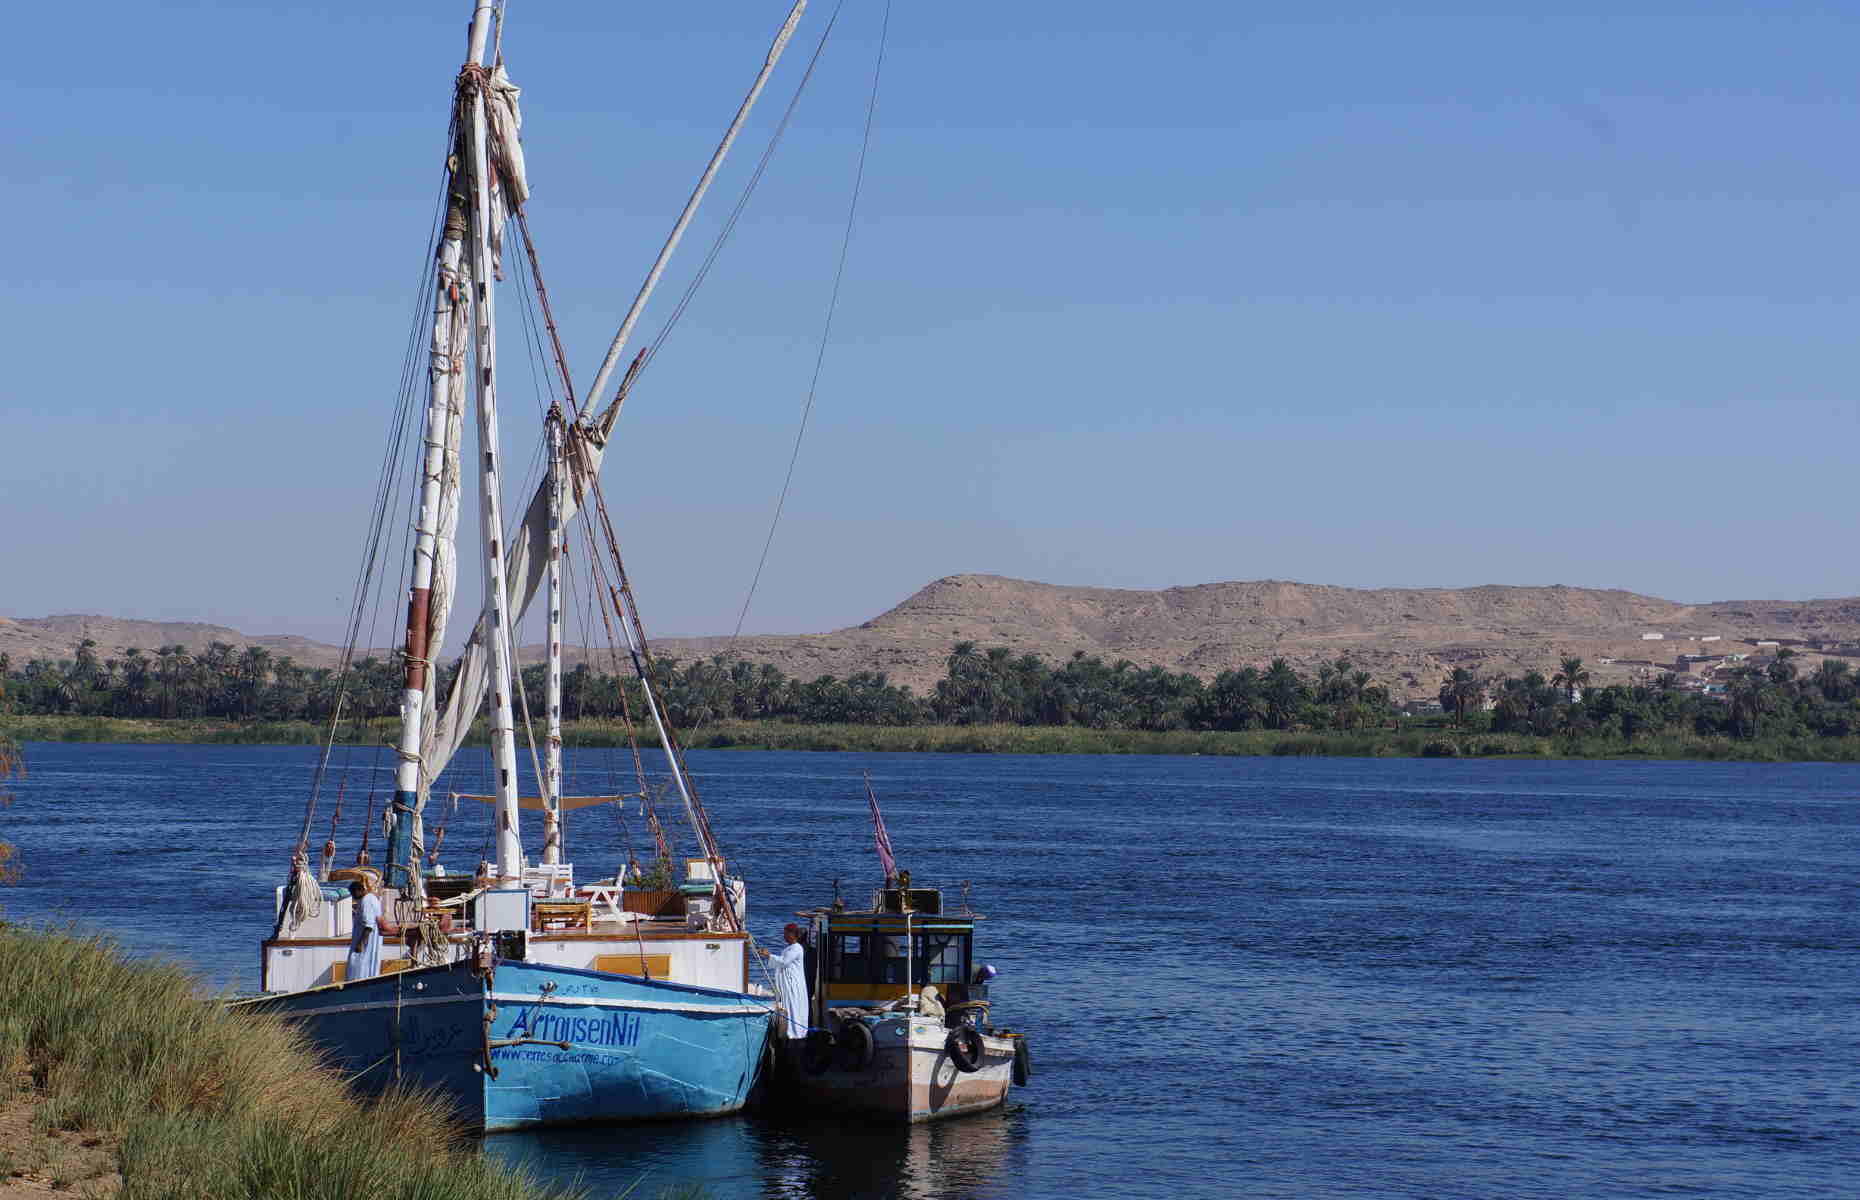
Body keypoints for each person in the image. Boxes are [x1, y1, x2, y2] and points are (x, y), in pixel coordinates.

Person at [758, 923, 809, 1039]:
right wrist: (769, 956)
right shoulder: (788, 948)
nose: (784, 936)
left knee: (793, 1008)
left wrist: (769, 955)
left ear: (792, 934)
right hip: (787, 986)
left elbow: (783, 962)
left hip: (793, 986)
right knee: (787, 1007)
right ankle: (789, 1031)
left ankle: (796, 1034)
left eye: (785, 934)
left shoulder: (797, 948)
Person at [345, 877, 400, 982]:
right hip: (371, 940)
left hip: (366, 943)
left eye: (353, 894)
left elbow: (368, 925)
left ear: (358, 891)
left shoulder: (366, 901)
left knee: (358, 966)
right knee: (368, 966)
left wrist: (360, 943)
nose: (353, 897)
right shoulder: (372, 898)